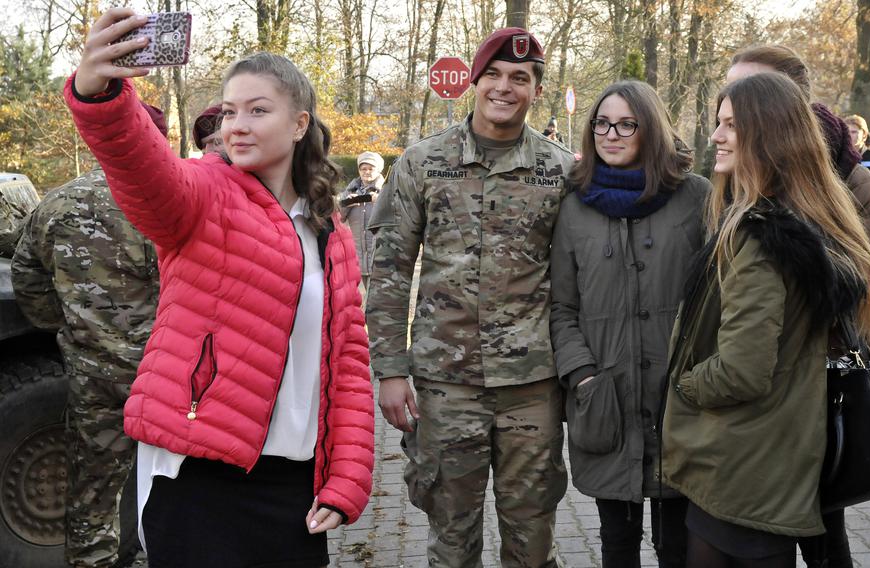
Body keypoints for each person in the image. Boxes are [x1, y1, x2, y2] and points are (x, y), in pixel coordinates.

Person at [65, 9, 374, 568]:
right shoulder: (204, 193)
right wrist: (101, 96)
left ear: (300, 123)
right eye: (230, 111)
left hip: (293, 489)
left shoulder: (331, 233)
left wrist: (346, 479)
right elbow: (143, 169)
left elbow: (348, 363)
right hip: (195, 479)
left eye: (258, 110)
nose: (237, 125)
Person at [366, 27, 574, 567]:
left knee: (532, 542)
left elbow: (579, 278)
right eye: (494, 76)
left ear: (535, 90)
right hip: (444, 383)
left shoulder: (560, 171)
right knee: (451, 542)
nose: (505, 88)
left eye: (520, 78)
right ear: (475, 82)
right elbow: (389, 269)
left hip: (532, 385)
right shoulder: (422, 162)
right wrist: (389, 370)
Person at [662, 72, 870, 568]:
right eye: (717, 123)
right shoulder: (804, 223)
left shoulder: (761, 234)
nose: (716, 136)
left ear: (769, 135)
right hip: (772, 457)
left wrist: (682, 383)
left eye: (731, 126)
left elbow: (743, 368)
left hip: (740, 464)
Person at [549, 80, 710, 566]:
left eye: (625, 124)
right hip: (607, 400)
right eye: (601, 123)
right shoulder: (574, 203)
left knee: (677, 547)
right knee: (617, 545)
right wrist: (582, 374)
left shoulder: (694, 196)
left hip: (679, 402)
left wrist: (698, 372)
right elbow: (561, 307)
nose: (610, 134)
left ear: (651, 129)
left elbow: (717, 297)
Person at [11, 103, 164, 568]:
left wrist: (64, 326)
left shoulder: (57, 202)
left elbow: (26, 275)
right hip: (172, 371)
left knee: (93, 494)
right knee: (189, 484)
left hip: (94, 370)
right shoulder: (173, 199)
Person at [727, 45, 870, 372]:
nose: (737, 99)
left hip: (832, 373)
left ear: (794, 101)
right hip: (750, 371)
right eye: (730, 90)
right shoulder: (727, 176)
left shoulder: (845, 172)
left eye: (754, 88)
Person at [339, 151, 384, 292]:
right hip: (356, 259)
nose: (367, 172)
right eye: (363, 169)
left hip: (380, 258)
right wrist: (345, 204)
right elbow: (338, 219)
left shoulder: (387, 191)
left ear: (379, 169)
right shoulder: (349, 191)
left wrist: (381, 202)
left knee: (377, 303)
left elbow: (398, 217)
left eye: (371, 168)